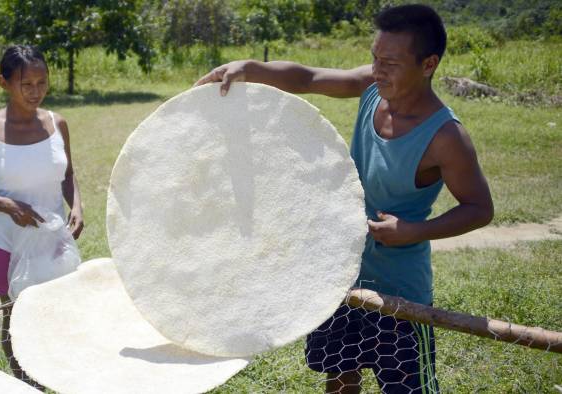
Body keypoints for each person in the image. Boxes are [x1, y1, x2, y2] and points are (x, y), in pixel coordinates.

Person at [195, 4, 493, 393]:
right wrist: (249, 68)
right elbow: (309, 76)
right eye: (374, 57)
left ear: (428, 64)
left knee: (407, 386)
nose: (377, 69)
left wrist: (412, 231)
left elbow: (480, 209)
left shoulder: (446, 137)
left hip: (399, 289)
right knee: (340, 374)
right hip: (340, 269)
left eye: (390, 61)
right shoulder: (372, 89)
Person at [0, 45, 84, 388]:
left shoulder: (57, 123)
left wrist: (76, 207)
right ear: (3, 82)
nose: (35, 91)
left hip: (52, 238)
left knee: (60, 309)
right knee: (15, 315)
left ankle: (59, 376)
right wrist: (8, 205)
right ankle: (25, 384)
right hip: (7, 240)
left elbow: (69, 175)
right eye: (25, 84)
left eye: (41, 82)